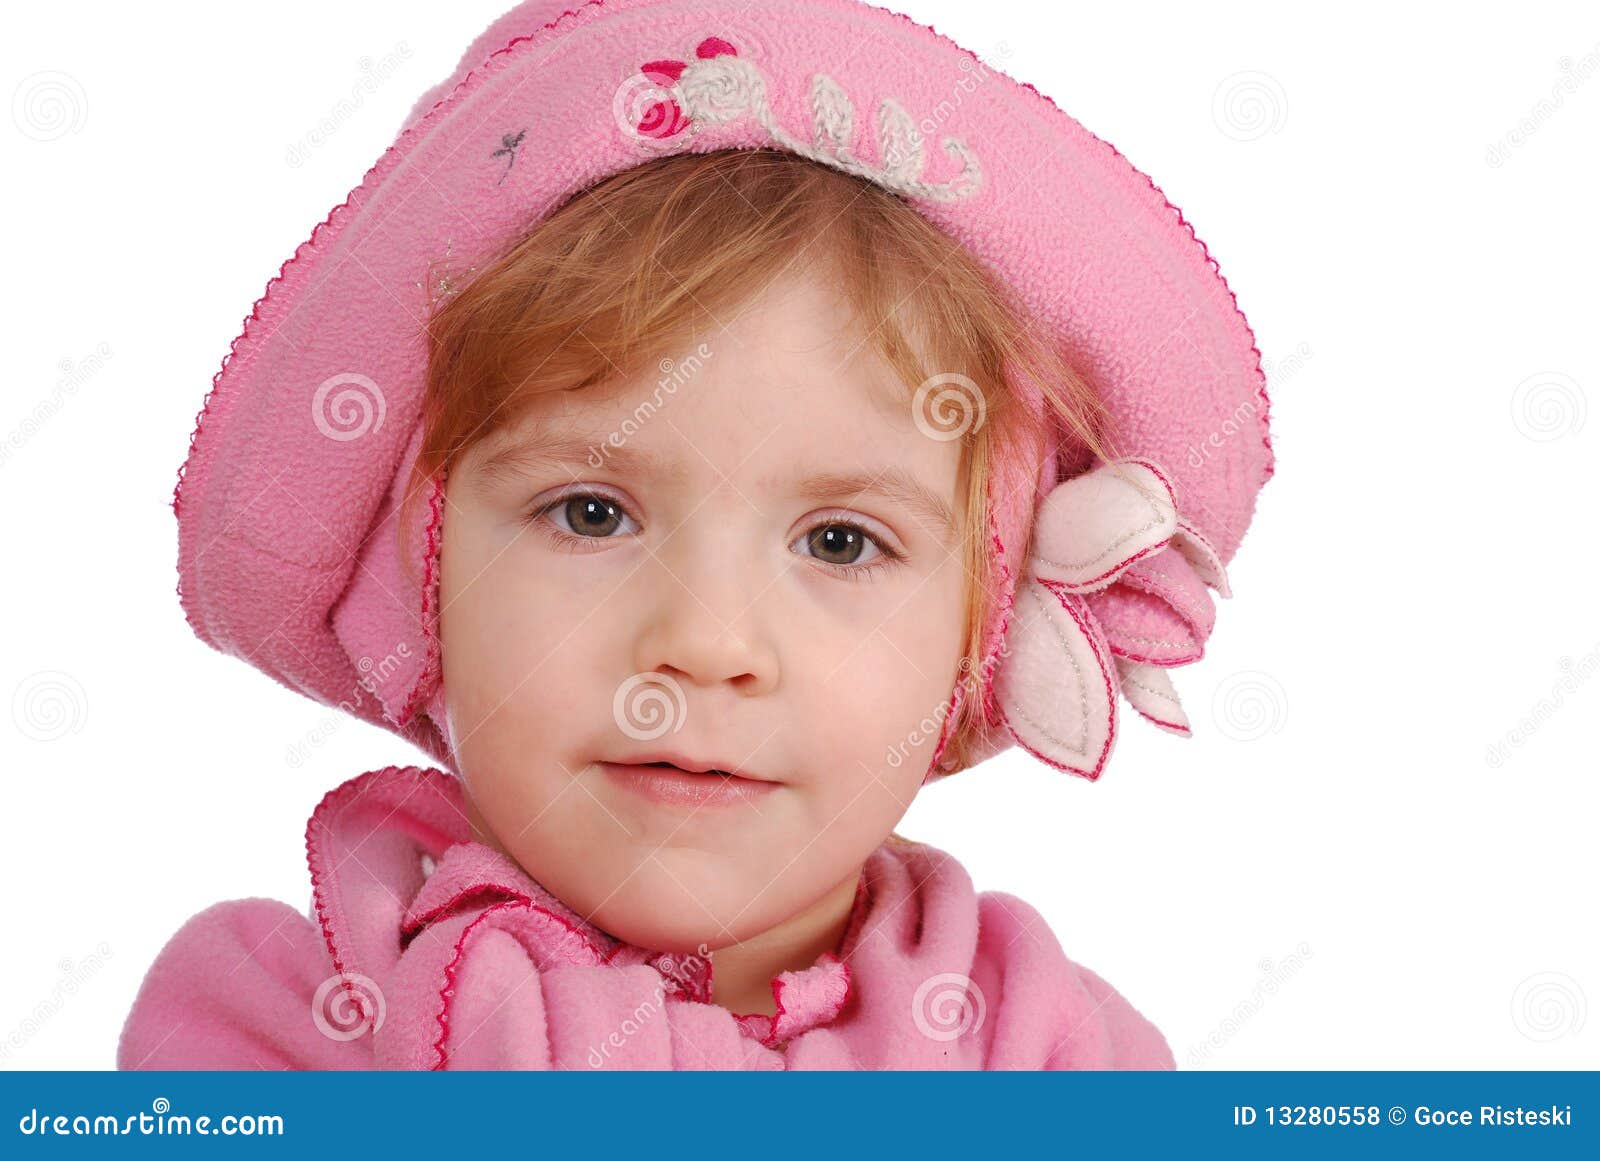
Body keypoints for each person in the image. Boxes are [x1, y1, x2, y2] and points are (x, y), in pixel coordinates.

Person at [120, 0, 1273, 1070]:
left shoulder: (1054, 1060)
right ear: (413, 580)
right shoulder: (276, 1030)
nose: (708, 643)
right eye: (591, 513)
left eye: (839, 543)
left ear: (981, 636)